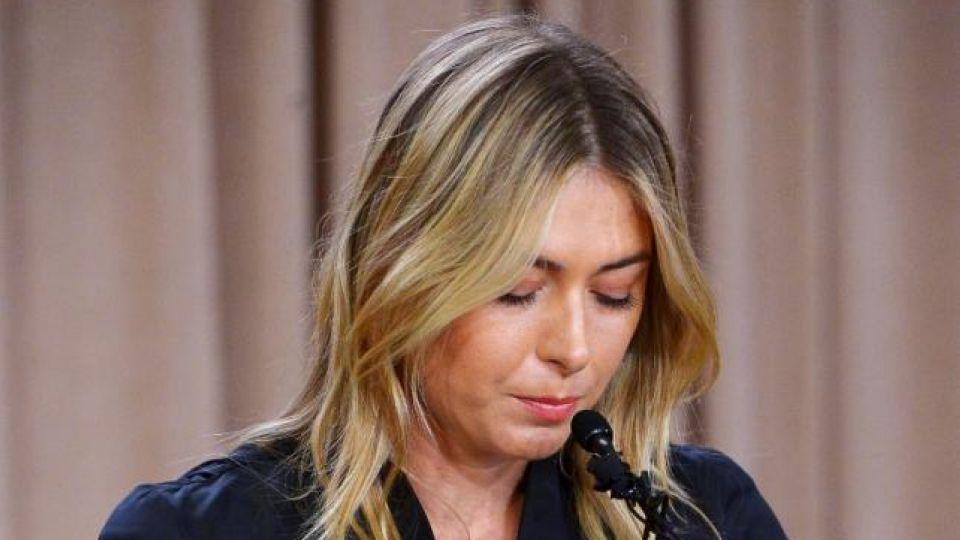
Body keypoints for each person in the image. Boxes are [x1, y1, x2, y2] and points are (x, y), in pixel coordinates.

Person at [100, 14, 787, 540]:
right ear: (400, 273)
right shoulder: (195, 530)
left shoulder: (705, 516)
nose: (574, 350)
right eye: (518, 291)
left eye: (615, 296)